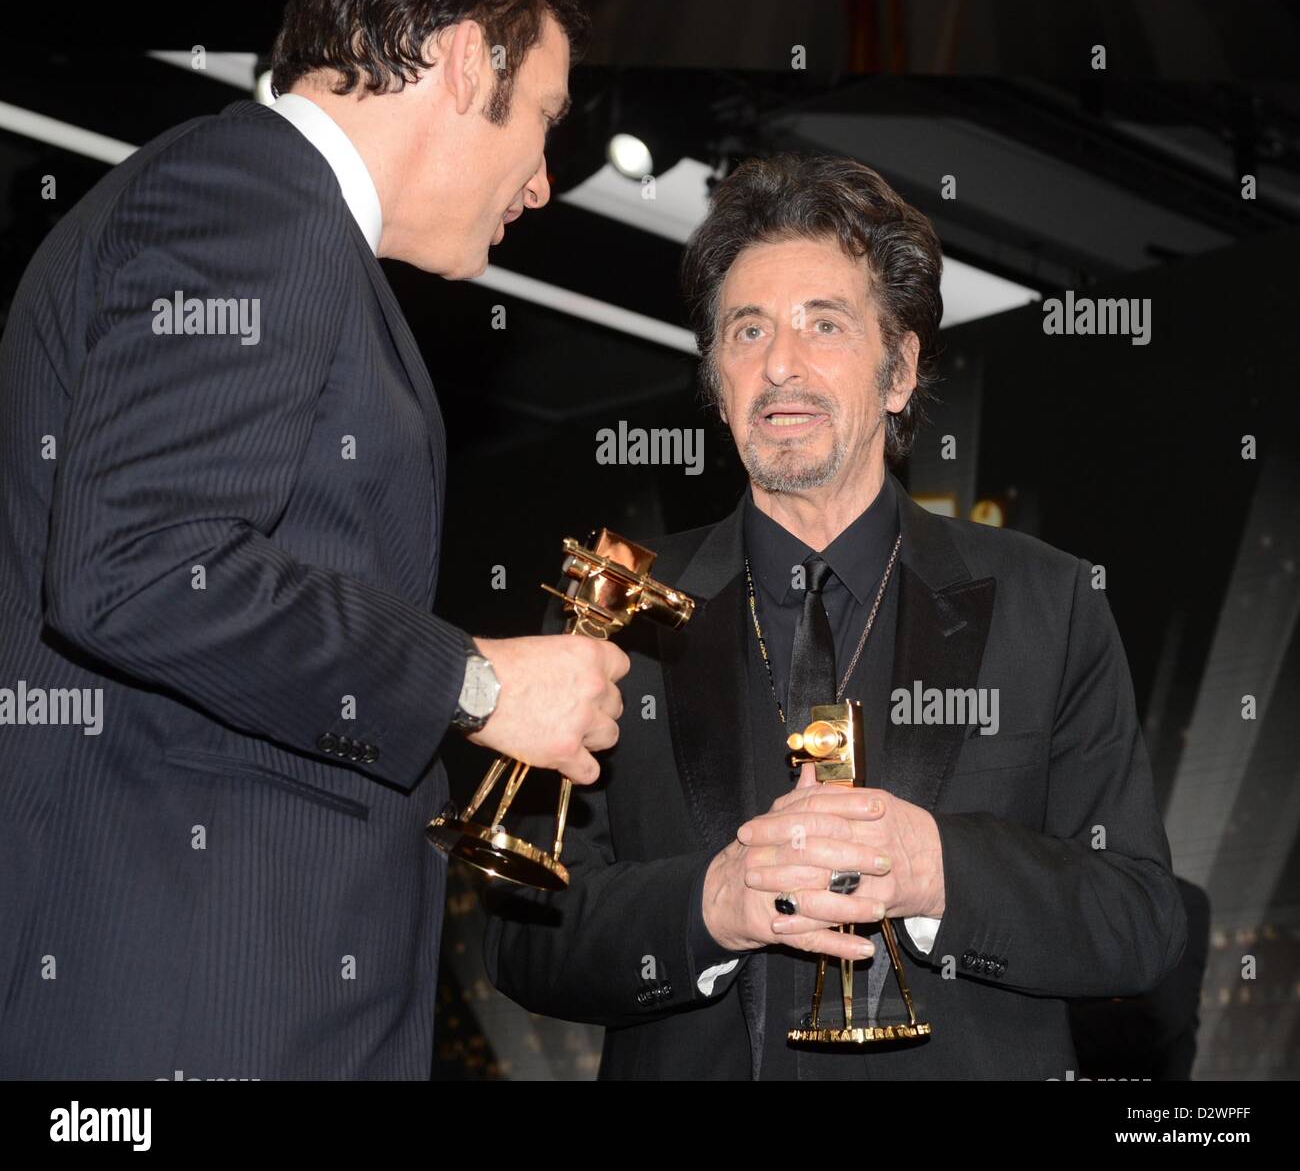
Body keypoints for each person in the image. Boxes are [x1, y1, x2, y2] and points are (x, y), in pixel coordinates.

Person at [0, 0, 627, 1080]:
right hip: (194, 1000)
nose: (543, 183)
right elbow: (134, 564)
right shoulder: (256, 194)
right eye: (543, 120)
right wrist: (475, 679)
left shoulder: (268, 217)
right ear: (462, 59)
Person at [484, 152, 1187, 1080]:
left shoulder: (1048, 603)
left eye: (825, 324)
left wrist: (938, 870)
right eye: (747, 332)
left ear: (899, 371)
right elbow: (525, 941)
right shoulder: (610, 612)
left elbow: (1138, 922)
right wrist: (712, 902)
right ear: (716, 380)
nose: (781, 364)